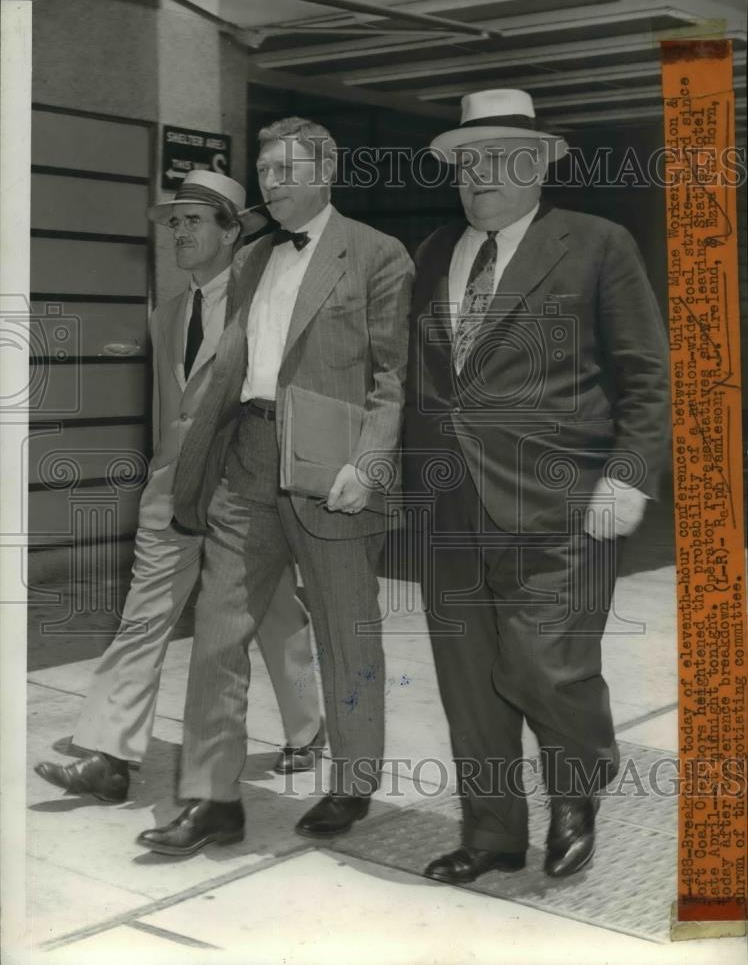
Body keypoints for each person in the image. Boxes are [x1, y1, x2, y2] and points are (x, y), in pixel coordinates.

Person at [403, 89, 670, 883]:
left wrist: (628, 475)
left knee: (543, 665)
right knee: (468, 681)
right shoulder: (432, 254)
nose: (476, 175)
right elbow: (422, 379)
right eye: (463, 162)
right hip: (451, 507)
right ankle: (491, 835)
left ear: (537, 165)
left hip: (563, 504)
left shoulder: (595, 244)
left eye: (494, 159)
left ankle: (579, 781)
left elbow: (647, 376)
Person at [136, 118, 413, 857]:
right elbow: (230, 361)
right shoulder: (254, 257)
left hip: (332, 468)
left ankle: (352, 780)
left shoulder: (378, 255)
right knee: (219, 631)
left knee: (345, 631)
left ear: (326, 170)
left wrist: (369, 461)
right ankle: (212, 798)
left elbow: (392, 377)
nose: (273, 183)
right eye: (265, 171)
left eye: (287, 169)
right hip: (247, 459)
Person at [35, 170, 323, 804]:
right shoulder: (168, 315)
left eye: (194, 221)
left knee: (275, 613)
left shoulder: (264, 306)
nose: (179, 233)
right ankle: (109, 755)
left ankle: (308, 726)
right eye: (175, 223)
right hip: (173, 492)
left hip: (245, 491)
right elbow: (174, 410)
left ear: (232, 231)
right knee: (143, 617)